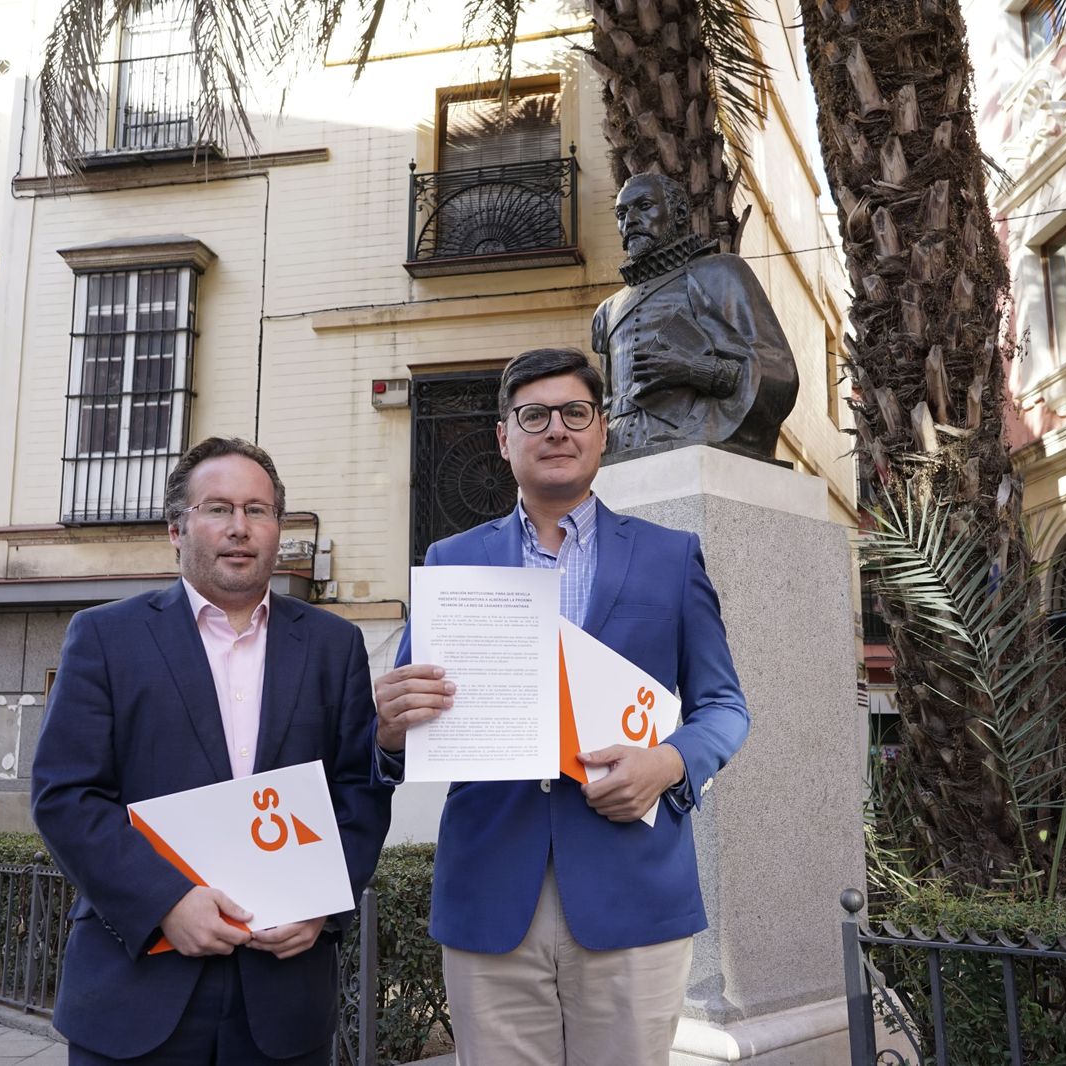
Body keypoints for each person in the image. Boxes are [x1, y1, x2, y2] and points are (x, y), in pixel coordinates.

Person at [373, 348, 750, 1065]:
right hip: (491, 896)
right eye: (534, 415)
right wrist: (389, 729)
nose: (556, 430)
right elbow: (402, 729)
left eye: (575, 413)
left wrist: (668, 763)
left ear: (602, 430)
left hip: (632, 891)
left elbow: (724, 707)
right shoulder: (452, 562)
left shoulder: (671, 558)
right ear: (503, 437)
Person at [32, 437, 392, 1065]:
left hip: (284, 994)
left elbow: (360, 788)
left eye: (258, 510)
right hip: (135, 986)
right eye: (218, 508)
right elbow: (67, 795)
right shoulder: (105, 636)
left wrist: (323, 906)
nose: (239, 528)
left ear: (278, 528)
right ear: (178, 527)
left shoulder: (334, 645)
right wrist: (165, 901)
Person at [592, 173, 798, 460]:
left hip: (691, 443)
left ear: (678, 214)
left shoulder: (720, 273)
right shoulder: (606, 311)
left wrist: (693, 369)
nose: (631, 220)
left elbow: (777, 373)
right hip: (616, 453)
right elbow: (608, 401)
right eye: (622, 213)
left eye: (644, 206)